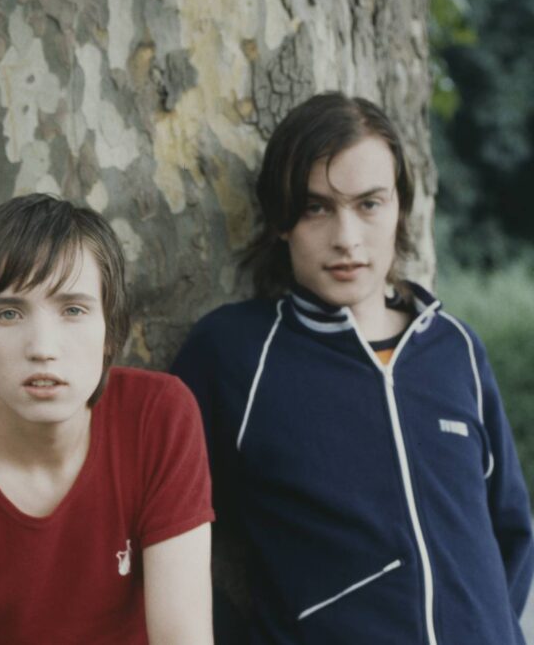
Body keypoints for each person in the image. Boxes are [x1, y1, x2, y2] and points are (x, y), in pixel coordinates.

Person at [171, 92, 534, 644]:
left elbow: (511, 530)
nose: (346, 238)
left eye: (369, 204)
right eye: (316, 207)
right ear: (282, 219)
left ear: (399, 207)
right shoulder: (235, 354)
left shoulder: (455, 348)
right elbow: (160, 528)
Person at [0, 194, 214, 644]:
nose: (43, 348)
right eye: (9, 313)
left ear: (111, 330)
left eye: (73, 310)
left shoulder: (157, 418)